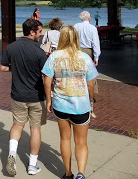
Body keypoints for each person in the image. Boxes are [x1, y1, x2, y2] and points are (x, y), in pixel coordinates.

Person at [42, 25, 98, 179]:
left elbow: (47, 82)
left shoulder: (54, 56)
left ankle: (68, 173)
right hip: (81, 106)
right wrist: (91, 100)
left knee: (65, 139)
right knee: (81, 142)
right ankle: (81, 173)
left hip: (60, 105)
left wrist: (49, 100)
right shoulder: (84, 57)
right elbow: (91, 84)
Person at [0, 18, 48, 176]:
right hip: (36, 96)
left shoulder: (11, 47)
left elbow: (3, 68)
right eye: (40, 32)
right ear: (32, 32)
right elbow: (46, 73)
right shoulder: (39, 52)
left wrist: (17, 69)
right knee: (35, 129)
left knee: (17, 125)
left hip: (17, 95)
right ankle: (32, 165)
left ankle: (12, 154)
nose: (41, 35)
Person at [74, 11, 100, 97]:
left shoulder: (76, 26)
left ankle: (78, 90)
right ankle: (91, 92)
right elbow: (95, 43)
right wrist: (96, 57)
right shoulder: (92, 28)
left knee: (78, 71)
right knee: (90, 72)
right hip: (88, 51)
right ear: (89, 18)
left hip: (78, 50)